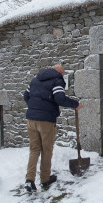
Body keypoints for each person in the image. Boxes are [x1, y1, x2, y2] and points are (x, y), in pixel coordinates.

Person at [23, 64, 82, 192]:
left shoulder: (35, 80)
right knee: (46, 149)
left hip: (31, 119)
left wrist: (35, 108)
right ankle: (45, 179)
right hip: (46, 121)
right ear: (59, 72)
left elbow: (25, 96)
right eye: (63, 73)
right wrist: (75, 104)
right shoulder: (57, 80)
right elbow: (60, 99)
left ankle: (29, 180)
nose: (63, 75)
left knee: (34, 149)